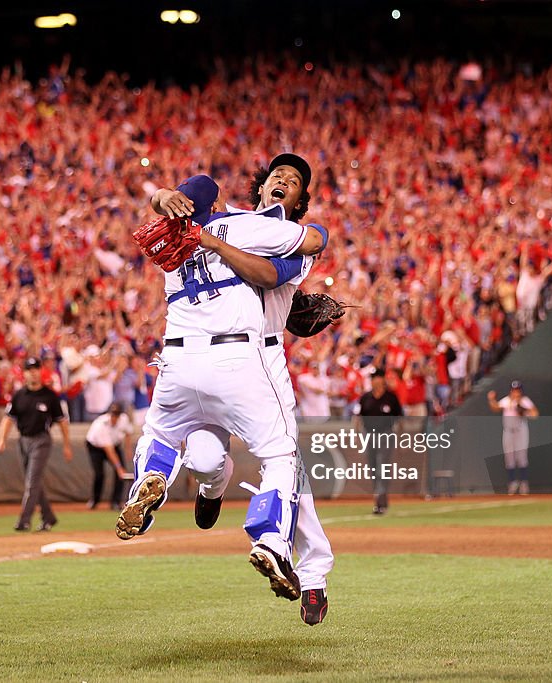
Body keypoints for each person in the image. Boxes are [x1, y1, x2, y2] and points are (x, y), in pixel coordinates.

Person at [117, 155, 325, 605]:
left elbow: (271, 269)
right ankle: (270, 540)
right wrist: (176, 207)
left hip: (178, 357)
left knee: (165, 437)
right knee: (277, 457)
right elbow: (312, 239)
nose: (283, 181)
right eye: (277, 176)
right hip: (243, 359)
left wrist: (162, 200)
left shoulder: (187, 230)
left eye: (292, 181)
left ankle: (148, 482)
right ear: (260, 187)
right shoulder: (255, 227)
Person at [0, 357, 73, 532]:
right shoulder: (19, 395)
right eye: (30, 369)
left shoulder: (50, 396)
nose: (33, 372)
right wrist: (2, 439)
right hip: (23, 440)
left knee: (32, 482)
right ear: (24, 373)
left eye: (36, 369)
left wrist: (67, 445)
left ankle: (24, 520)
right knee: (33, 483)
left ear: (40, 371)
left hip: (42, 440)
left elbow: (62, 422)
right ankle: (48, 517)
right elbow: (8, 419)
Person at [354, 368, 403, 515]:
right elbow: (358, 419)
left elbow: (399, 420)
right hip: (369, 435)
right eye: (373, 377)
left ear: (382, 379)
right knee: (373, 469)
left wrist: (401, 439)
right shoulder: (365, 398)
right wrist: (357, 437)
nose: (375, 380)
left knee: (382, 467)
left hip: (385, 435)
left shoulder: (391, 398)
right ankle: (381, 498)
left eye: (377, 377)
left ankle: (379, 502)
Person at [487, 380, 539, 495]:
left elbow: (535, 414)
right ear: (511, 390)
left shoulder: (524, 401)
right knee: (509, 457)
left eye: (518, 390)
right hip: (508, 431)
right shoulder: (506, 400)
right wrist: (491, 399)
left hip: (520, 431)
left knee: (522, 457)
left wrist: (524, 410)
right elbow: (496, 407)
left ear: (521, 391)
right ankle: (512, 483)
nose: (516, 392)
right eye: (514, 390)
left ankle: (523, 483)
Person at [84, 402, 132, 510]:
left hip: (114, 445)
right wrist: (119, 468)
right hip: (95, 447)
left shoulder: (124, 419)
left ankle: (115, 502)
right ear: (109, 414)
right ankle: (94, 501)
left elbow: (128, 432)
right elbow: (109, 450)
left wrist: (128, 449)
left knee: (121, 474)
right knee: (99, 474)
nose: (114, 417)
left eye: (117, 415)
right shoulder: (101, 424)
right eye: (113, 414)